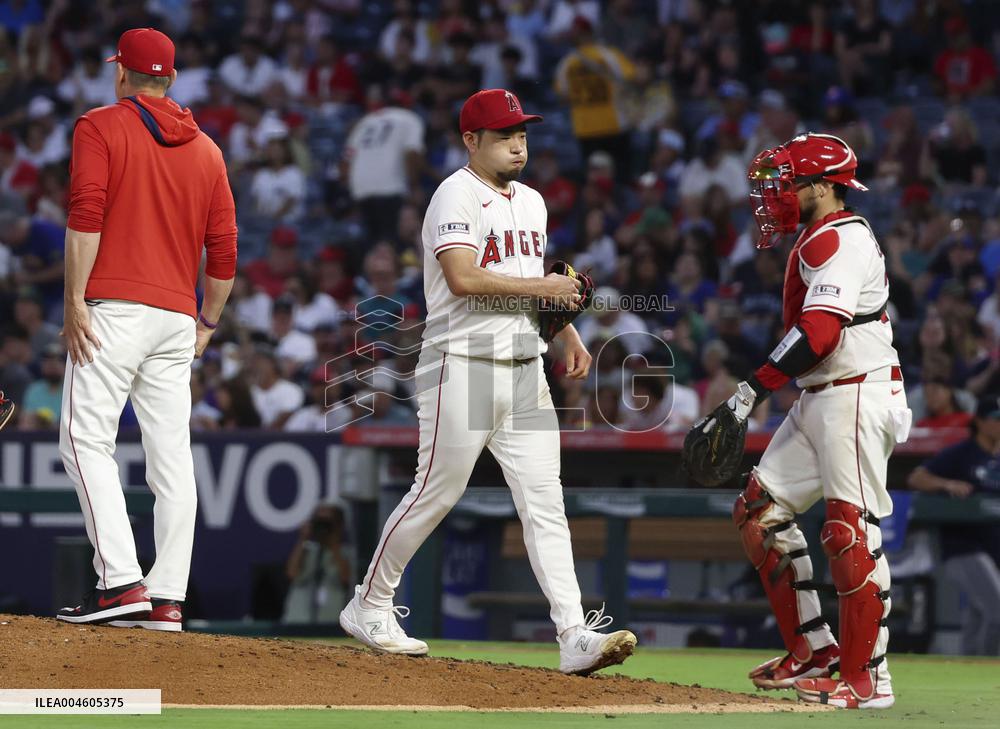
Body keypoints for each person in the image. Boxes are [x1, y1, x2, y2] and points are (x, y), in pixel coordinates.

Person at [339, 88, 637, 676]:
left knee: (545, 503)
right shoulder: (455, 192)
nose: (517, 143)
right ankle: (368, 603)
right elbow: (463, 278)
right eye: (503, 135)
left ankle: (574, 634)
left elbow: (529, 283)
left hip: (526, 368)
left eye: (521, 133)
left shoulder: (532, 202)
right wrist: (547, 291)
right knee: (435, 494)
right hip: (463, 365)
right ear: (471, 140)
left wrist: (565, 331)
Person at [55, 29, 238, 632]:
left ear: (122, 75)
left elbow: (86, 215)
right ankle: (166, 597)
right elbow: (225, 251)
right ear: (172, 79)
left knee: (84, 442)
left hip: (114, 308)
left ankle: (120, 583)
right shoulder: (209, 150)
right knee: (171, 461)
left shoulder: (100, 125)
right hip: (176, 318)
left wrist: (74, 301)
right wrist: (206, 321)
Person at [719, 134, 908, 708]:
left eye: (785, 181)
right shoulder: (816, 235)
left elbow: (822, 333)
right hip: (823, 394)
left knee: (849, 532)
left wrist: (752, 389)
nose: (773, 193)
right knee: (759, 509)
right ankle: (815, 652)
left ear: (822, 187)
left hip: (853, 393)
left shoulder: (841, 240)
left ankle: (866, 679)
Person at [907, 395, 1000, 656]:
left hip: (993, 547)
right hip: (963, 547)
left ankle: (971, 665)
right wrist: (946, 484)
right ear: (979, 422)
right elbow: (917, 477)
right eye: (996, 419)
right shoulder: (962, 453)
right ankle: (992, 667)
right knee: (996, 610)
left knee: (978, 614)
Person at [283, 504, 351, 624]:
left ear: (339, 525)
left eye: (328, 523)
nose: (323, 527)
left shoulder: (347, 553)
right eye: (319, 521)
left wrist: (334, 543)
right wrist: (303, 539)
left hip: (330, 622)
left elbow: (346, 579)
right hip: (297, 620)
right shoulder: (306, 550)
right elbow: (292, 574)